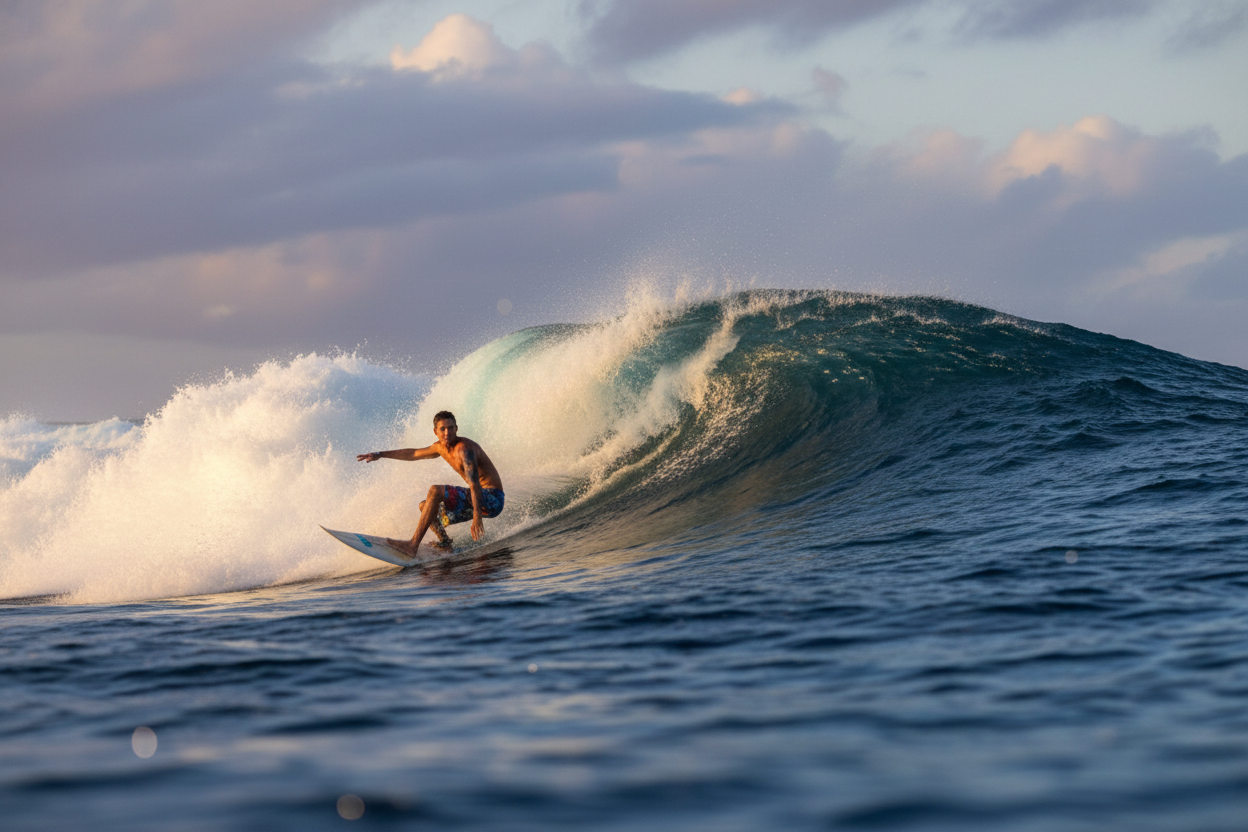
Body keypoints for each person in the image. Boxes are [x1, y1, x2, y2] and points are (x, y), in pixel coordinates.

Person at [357, 411, 504, 555]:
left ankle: (412, 545)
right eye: (443, 429)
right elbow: (413, 454)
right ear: (435, 431)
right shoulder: (439, 447)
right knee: (426, 506)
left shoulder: (464, 449)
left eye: (451, 428)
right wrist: (380, 454)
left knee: (435, 490)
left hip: (492, 499)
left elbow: (474, 484)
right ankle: (445, 544)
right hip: (476, 501)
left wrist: (477, 516)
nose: (447, 432)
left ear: (456, 429)